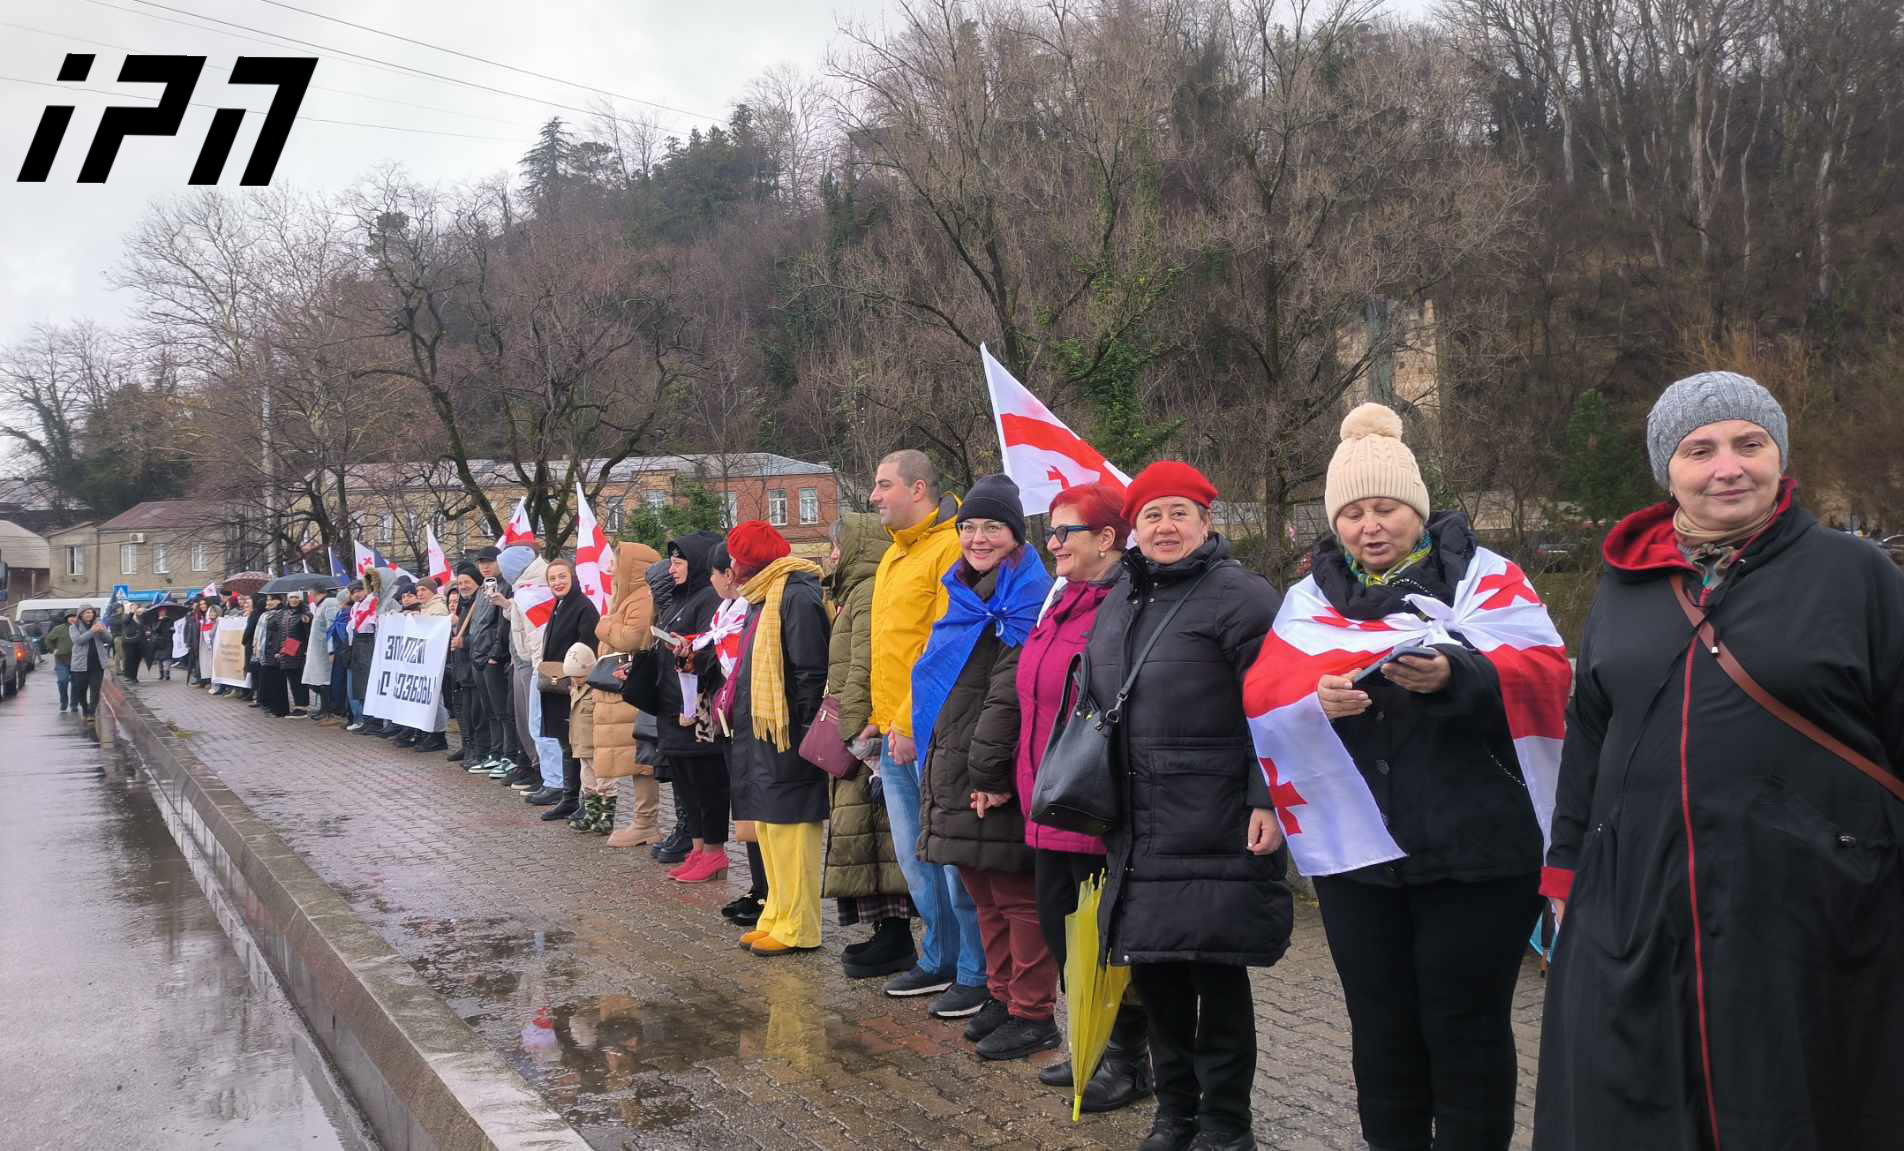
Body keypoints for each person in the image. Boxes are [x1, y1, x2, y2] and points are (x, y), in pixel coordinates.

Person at [1535, 372, 1904, 1149]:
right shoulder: (1624, 587)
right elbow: (1591, 733)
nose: (1728, 467)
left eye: (1749, 443)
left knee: (1807, 1099)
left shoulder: (1857, 574)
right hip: (1641, 898)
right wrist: (1565, 874)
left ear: (1779, 455)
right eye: (1700, 450)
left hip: (1817, 904)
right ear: (1667, 470)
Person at [1288, 404, 1561, 1151]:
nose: (1370, 527)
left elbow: (1548, 677)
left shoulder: (1488, 581)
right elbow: (1266, 700)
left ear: (1417, 508)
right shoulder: (1306, 600)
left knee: (1465, 1027)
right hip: (1358, 860)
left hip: (1477, 853)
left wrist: (1457, 675)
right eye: (1352, 514)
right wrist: (1315, 700)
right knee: (1381, 1030)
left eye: (1386, 508)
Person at [1088, 460, 1291, 1151]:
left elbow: (1276, 708)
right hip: (1139, 824)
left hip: (1217, 818)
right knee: (1157, 976)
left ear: (1207, 521)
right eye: (1152, 515)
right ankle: (1175, 1114)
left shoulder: (1244, 597)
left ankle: (1228, 1125)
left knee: (1217, 977)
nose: (1166, 526)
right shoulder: (1120, 596)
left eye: (1180, 512)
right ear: (1134, 529)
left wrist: (1266, 798)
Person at [914, 476, 1061, 1059]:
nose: (978, 538)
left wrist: (989, 777)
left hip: (996, 773)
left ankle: (1033, 1012)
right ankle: (1001, 996)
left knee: (1018, 897)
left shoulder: (1025, 600)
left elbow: (1010, 696)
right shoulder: (967, 594)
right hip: (958, 763)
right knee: (985, 894)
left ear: (1016, 536)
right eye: (969, 527)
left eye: (992, 527)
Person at [1018, 482, 1151, 1108]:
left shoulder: (1124, 605)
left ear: (1106, 538)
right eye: (1051, 532)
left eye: (1064, 532)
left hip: (1091, 802)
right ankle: (1090, 1042)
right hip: (1047, 798)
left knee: (1104, 938)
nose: (1052, 543)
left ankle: (1126, 1058)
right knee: (1061, 931)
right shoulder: (1062, 600)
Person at [863, 449, 988, 1017]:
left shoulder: (950, 550)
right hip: (896, 733)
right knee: (917, 859)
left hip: (934, 731)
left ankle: (974, 971)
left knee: (952, 856)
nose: (874, 496)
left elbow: (943, 646)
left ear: (918, 489)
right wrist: (879, 715)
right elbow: (891, 647)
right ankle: (940, 957)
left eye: (884, 484)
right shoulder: (894, 555)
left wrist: (909, 721)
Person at [719, 521, 830, 956]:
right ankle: (777, 916)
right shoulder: (762, 595)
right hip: (764, 737)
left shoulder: (795, 595)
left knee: (792, 835)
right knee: (770, 831)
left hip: (788, 737)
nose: (730, 566)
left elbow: (810, 671)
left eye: (735, 558)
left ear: (749, 562)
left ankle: (799, 928)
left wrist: (802, 736)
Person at [819, 511, 916, 979]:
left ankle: (896, 936)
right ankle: (884, 930)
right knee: (866, 834)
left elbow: (865, 661)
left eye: (837, 546)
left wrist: (852, 728)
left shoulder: (868, 590)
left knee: (880, 835)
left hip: (866, 733)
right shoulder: (854, 591)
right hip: (859, 726)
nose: (831, 555)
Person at [621, 531, 729, 879]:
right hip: (670, 706)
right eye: (671, 562)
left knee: (706, 785)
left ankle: (713, 852)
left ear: (695, 563)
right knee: (685, 786)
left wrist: (689, 651)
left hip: (695, 712)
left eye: (678, 562)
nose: (672, 569)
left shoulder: (708, 599)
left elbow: (713, 649)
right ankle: (697, 849)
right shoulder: (678, 600)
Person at [707, 544, 771, 911]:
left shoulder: (753, 609)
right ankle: (759, 886)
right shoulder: (724, 613)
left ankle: (768, 891)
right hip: (732, 718)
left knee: (759, 807)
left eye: (714, 573)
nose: (712, 580)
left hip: (753, 716)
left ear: (728, 574)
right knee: (745, 805)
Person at [589, 541, 665, 844]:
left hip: (631, 693)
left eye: (615, 562)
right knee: (634, 760)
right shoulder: (628, 598)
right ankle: (642, 821)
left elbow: (634, 639)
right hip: (622, 692)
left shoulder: (641, 598)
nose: (610, 569)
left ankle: (646, 822)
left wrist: (604, 627)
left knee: (641, 760)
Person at [537, 558, 600, 822]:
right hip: (557, 685)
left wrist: (577, 679)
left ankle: (584, 800)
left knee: (578, 747)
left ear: (573, 577)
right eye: (552, 578)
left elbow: (588, 646)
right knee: (566, 744)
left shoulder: (584, 607)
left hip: (574, 687)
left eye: (562, 576)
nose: (557, 582)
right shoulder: (560, 605)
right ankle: (569, 797)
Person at [469, 546, 526, 785]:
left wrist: (495, 653)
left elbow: (502, 626)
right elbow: (478, 623)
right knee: (490, 709)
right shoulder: (484, 587)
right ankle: (496, 752)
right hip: (479, 654)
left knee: (504, 711)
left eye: (489, 562)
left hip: (494, 656)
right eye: (481, 562)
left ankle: (508, 755)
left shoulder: (507, 586)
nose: (485, 566)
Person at [563, 640, 601, 828]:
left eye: (579, 676)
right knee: (587, 779)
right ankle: (590, 813)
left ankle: (601, 815)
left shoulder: (596, 689)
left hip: (593, 744)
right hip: (581, 743)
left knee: (600, 780)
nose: (576, 680)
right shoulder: (576, 688)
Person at [346, 572, 381, 732]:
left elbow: (374, 623)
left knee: (368, 683)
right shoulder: (355, 607)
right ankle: (366, 719)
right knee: (359, 684)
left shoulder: (372, 602)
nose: (356, 594)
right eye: (353, 592)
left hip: (368, 644)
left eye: (359, 590)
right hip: (357, 645)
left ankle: (374, 721)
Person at [303, 587, 341, 722]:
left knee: (324, 681)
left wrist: (331, 650)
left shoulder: (329, 603)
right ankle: (324, 709)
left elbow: (331, 627)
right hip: (318, 650)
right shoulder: (321, 605)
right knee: (317, 681)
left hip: (324, 651)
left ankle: (328, 711)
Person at [255, 594, 293, 717]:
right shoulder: (271, 614)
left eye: (271, 599)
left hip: (276, 653)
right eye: (267, 599)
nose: (268, 602)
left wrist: (280, 651)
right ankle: (273, 707)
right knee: (271, 681)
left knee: (277, 682)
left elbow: (284, 634)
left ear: (279, 601)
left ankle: (279, 710)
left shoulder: (282, 614)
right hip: (269, 652)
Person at [70, 606, 111, 718]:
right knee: (81, 690)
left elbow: (109, 639)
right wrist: (92, 631)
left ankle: (92, 712)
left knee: (95, 689)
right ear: (81, 614)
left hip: (97, 663)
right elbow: (78, 641)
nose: (90, 614)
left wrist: (102, 631)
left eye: (91, 612)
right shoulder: (74, 626)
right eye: (87, 612)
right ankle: (85, 708)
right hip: (81, 664)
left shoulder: (99, 624)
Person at [43, 609, 76, 712]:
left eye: (75, 617)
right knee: (62, 681)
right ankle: (64, 701)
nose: (73, 619)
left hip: (77, 660)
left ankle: (74, 703)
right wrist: (53, 650)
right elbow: (48, 639)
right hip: (61, 659)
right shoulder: (59, 628)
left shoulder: (80, 628)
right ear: (66, 618)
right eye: (70, 617)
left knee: (76, 683)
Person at [118, 604, 148, 682]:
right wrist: (131, 612)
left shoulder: (140, 617)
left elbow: (143, 626)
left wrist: (143, 612)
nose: (135, 609)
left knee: (137, 659)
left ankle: (134, 676)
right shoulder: (126, 616)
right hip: (129, 642)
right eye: (133, 607)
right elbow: (126, 621)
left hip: (139, 641)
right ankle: (128, 676)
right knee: (129, 659)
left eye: (136, 607)